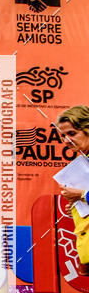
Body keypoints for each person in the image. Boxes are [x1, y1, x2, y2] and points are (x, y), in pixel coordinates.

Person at [56, 106, 89, 276]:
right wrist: (78, 207)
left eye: (72, 133)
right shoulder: (84, 160)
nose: (67, 140)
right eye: (63, 136)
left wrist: (81, 195)